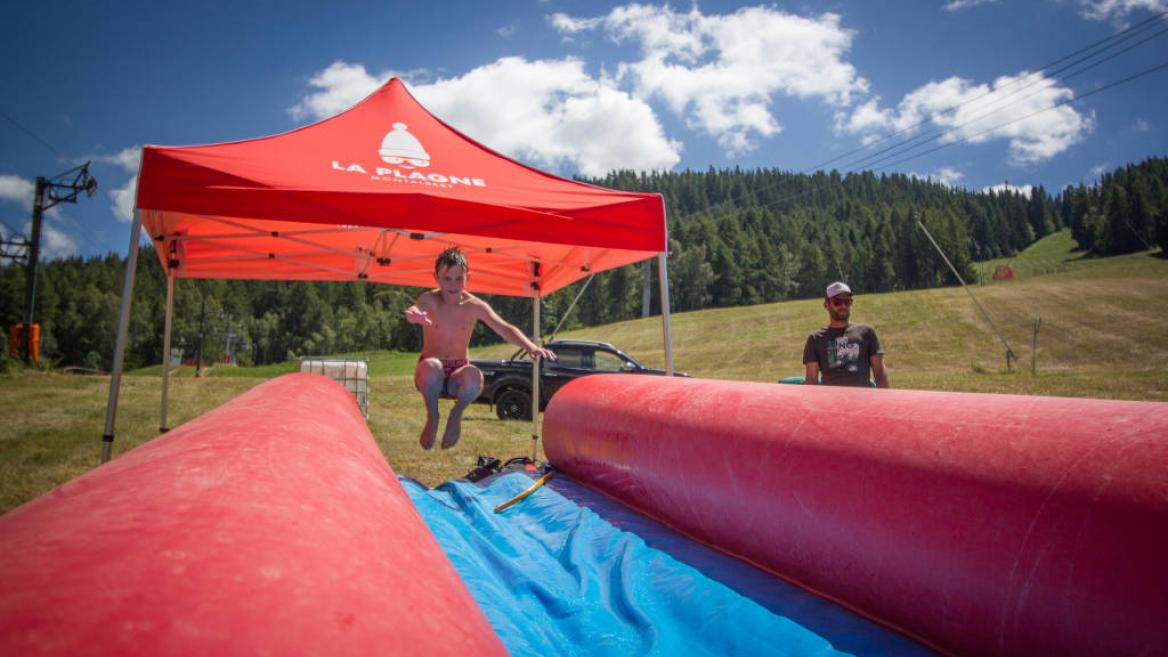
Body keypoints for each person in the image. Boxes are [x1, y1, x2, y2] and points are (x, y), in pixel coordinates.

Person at [405, 247, 556, 450]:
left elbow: (504, 327)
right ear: (436, 278)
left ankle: (456, 414)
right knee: (432, 366)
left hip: (457, 374)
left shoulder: (474, 306)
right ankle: (433, 416)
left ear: (468, 277)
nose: (453, 285)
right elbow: (415, 309)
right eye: (447, 278)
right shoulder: (429, 300)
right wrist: (414, 315)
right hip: (430, 374)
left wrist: (529, 346)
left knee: (474, 375)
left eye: (459, 279)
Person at [802, 281, 890, 388]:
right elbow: (811, 380)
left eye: (847, 302)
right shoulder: (815, 339)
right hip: (830, 402)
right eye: (837, 302)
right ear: (826, 305)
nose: (843, 306)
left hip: (862, 400)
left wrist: (885, 400)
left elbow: (879, 372)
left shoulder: (867, 333)